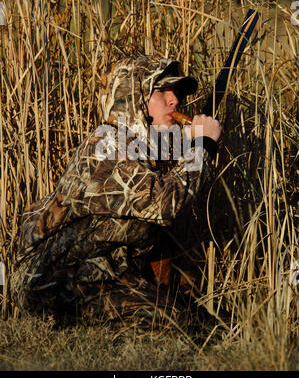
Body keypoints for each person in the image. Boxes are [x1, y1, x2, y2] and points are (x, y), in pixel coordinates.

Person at [11, 55, 222, 330]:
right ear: (133, 96)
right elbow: (164, 205)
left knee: (201, 322)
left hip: (103, 270)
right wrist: (202, 145)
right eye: (162, 91)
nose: (174, 101)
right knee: (178, 324)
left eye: (177, 93)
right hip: (55, 278)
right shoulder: (108, 146)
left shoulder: (146, 148)